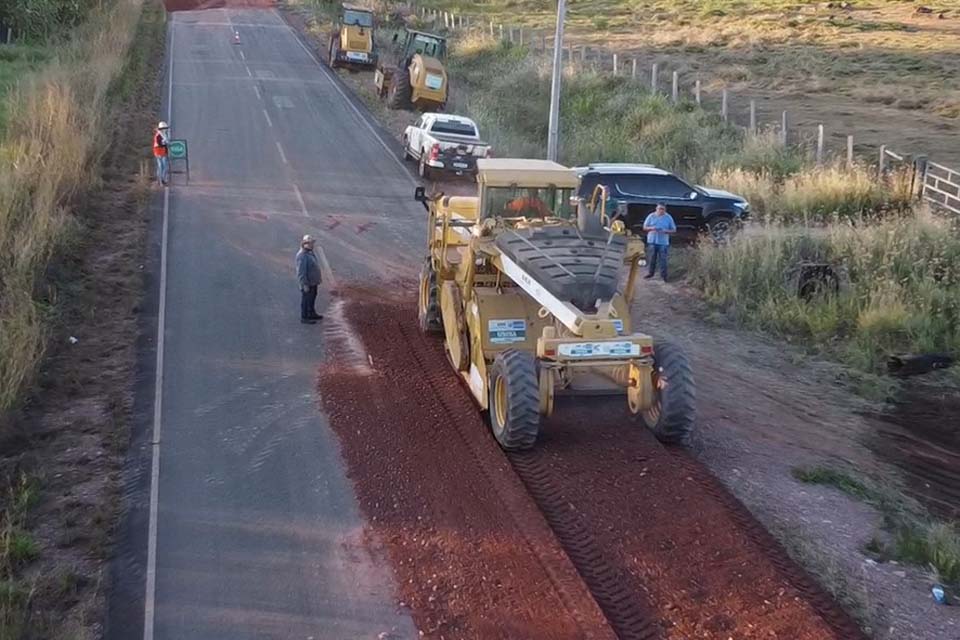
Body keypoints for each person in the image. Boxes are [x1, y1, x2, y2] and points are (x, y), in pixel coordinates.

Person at [642, 202, 676, 281]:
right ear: (656, 208)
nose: (661, 210)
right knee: (651, 258)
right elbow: (644, 227)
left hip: (663, 242)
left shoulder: (668, 217)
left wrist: (666, 231)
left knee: (663, 259)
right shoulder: (651, 216)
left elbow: (674, 229)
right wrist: (652, 228)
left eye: (662, 209)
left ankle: (664, 276)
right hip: (652, 240)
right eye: (659, 209)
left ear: (665, 210)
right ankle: (650, 273)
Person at [296, 235, 323, 324]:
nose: (312, 245)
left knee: (312, 297)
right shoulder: (302, 256)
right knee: (306, 300)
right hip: (307, 283)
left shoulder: (309, 253)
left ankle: (311, 313)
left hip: (313, 282)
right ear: (305, 244)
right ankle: (305, 317)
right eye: (311, 243)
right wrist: (304, 285)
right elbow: (301, 273)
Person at [153, 121, 170, 186]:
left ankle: (162, 179)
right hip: (158, 152)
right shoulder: (158, 135)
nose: (165, 130)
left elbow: (165, 143)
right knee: (160, 166)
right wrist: (165, 143)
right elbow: (159, 144)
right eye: (164, 128)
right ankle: (160, 180)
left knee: (164, 166)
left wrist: (166, 144)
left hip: (163, 152)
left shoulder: (164, 135)